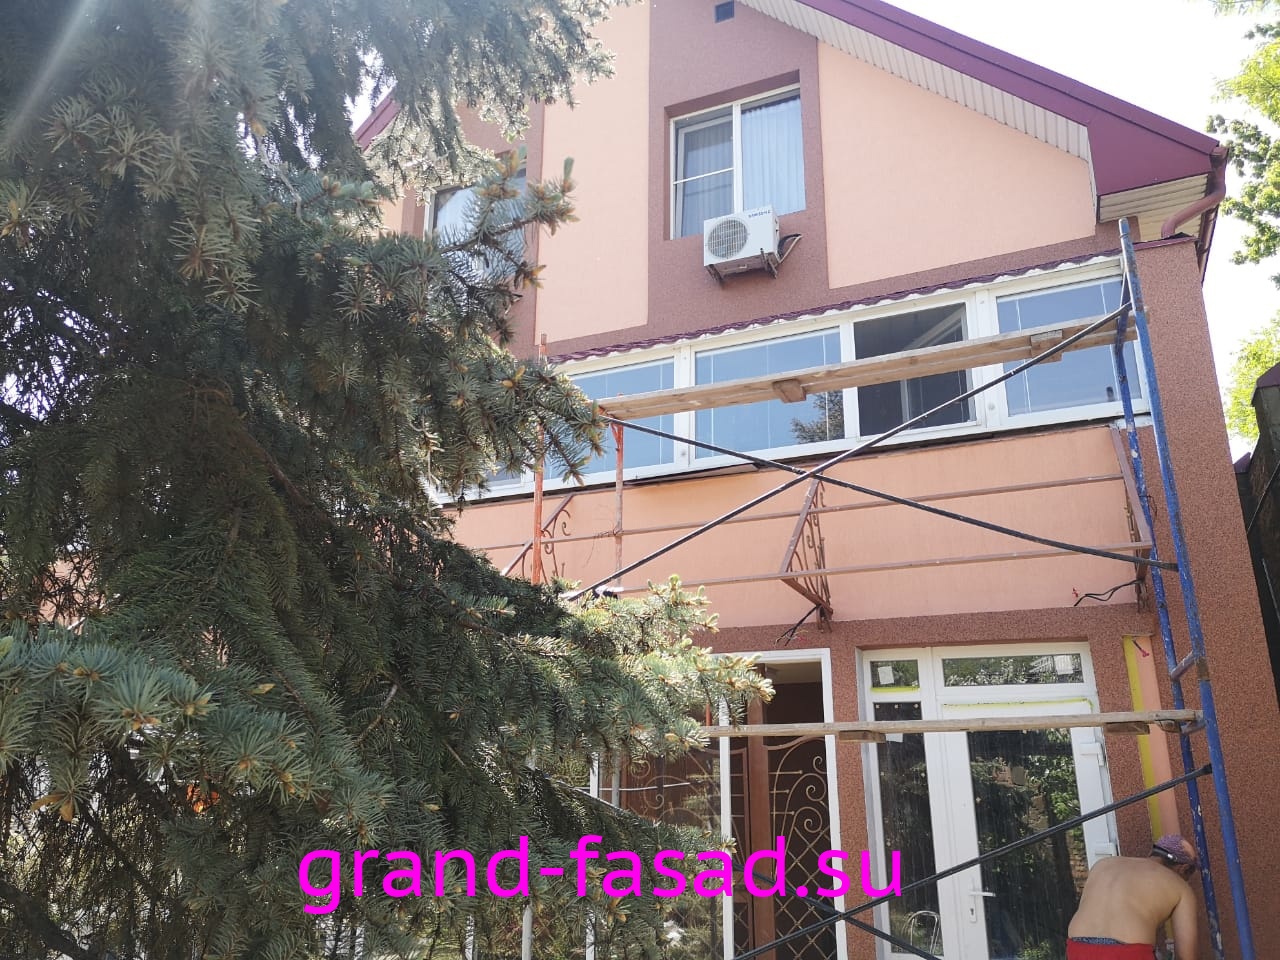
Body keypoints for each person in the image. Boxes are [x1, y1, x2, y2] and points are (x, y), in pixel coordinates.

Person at [1066, 834, 1200, 959]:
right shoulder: (1180, 886)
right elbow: (1186, 957)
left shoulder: (1102, 864)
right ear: (1183, 868)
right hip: (1128, 952)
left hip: (1078, 946)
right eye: (1190, 872)